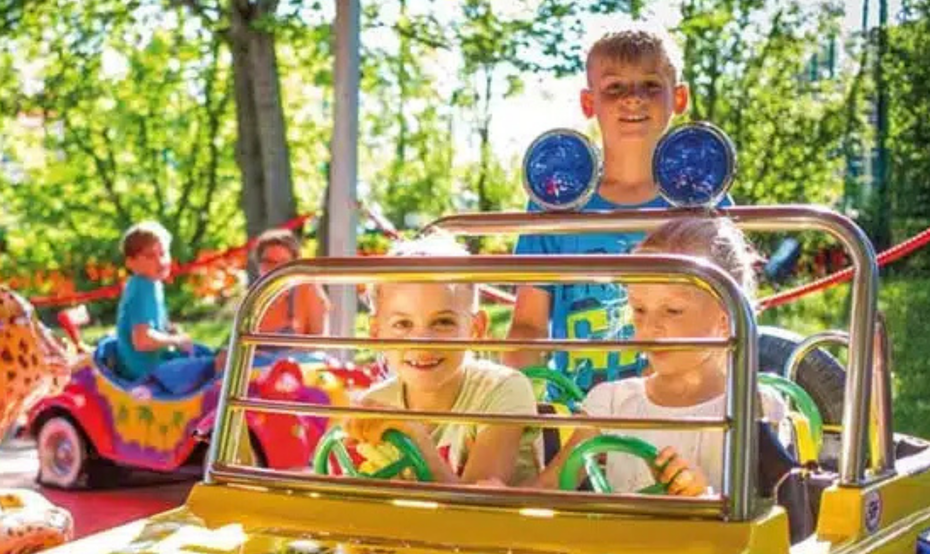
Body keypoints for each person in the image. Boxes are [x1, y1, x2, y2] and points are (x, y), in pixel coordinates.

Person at [504, 25, 729, 392]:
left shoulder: (704, 201)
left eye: (651, 85)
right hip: (577, 410)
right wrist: (513, 409)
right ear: (589, 103)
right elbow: (528, 326)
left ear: (680, 98)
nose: (633, 99)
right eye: (615, 87)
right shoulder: (557, 204)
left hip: (680, 408)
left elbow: (730, 317)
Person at [534, 217, 783, 496]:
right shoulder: (611, 403)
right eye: (639, 310)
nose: (650, 328)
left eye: (672, 310)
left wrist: (704, 496)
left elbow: (772, 514)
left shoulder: (755, 406)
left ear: (727, 317)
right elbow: (548, 485)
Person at [343, 235, 539, 486]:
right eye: (402, 324)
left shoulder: (503, 389)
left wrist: (418, 440)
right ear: (376, 333)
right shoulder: (378, 403)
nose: (422, 341)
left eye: (443, 322)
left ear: (476, 329)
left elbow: (474, 515)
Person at [113, 221, 219, 394]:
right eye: (150, 256)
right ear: (131, 263)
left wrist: (169, 331)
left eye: (163, 253)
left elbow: (151, 325)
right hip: (148, 371)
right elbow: (142, 340)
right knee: (217, 364)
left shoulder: (151, 284)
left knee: (208, 353)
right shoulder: (143, 287)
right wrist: (176, 341)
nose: (160, 261)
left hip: (157, 362)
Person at [252, 228, 330, 336]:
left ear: (295, 264)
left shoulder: (308, 288)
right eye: (269, 262)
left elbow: (318, 341)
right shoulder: (252, 296)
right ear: (258, 264)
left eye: (283, 262)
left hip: (299, 352)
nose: (276, 268)